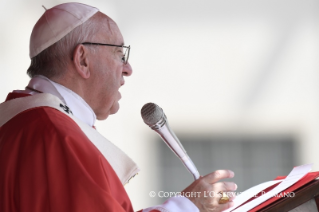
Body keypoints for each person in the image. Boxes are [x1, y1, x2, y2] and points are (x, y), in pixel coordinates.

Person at [0, 2, 237, 212]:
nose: (128, 68)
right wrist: (187, 208)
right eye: (119, 53)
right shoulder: (55, 134)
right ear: (82, 59)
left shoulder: (22, 121)